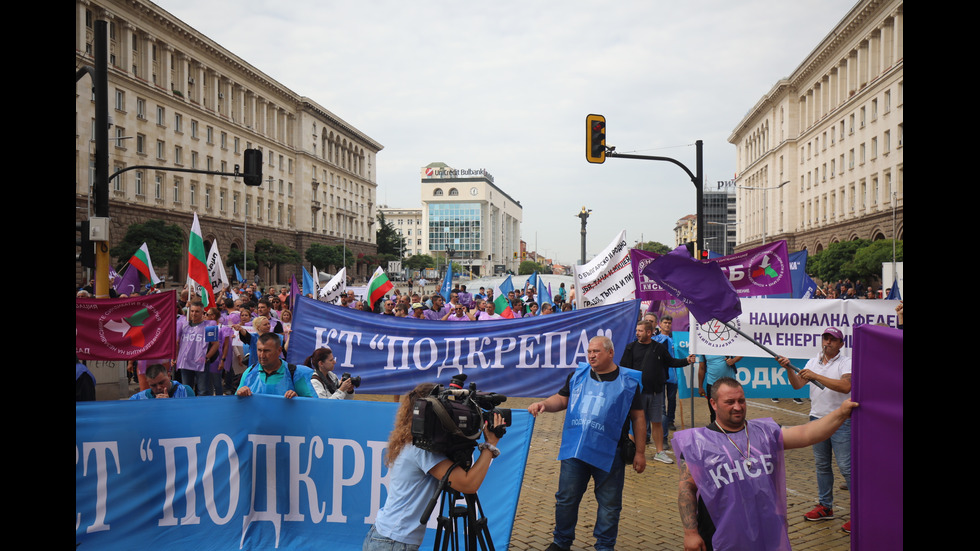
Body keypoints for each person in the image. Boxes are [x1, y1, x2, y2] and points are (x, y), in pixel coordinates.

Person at [675, 377, 858, 550]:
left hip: (765, 530)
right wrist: (690, 533)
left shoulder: (765, 432)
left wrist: (841, 412)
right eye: (729, 402)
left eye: (741, 400)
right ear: (713, 403)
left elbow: (807, 433)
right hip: (719, 534)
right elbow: (686, 489)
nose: (738, 407)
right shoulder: (697, 442)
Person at [528, 336, 646, 551]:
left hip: (611, 452)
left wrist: (640, 452)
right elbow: (562, 399)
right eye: (589, 351)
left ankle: (604, 546)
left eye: (596, 351)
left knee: (609, 506)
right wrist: (544, 404)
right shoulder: (577, 376)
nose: (591, 355)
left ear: (610, 353)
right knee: (566, 499)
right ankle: (561, 543)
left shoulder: (628, 382)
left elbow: (638, 417)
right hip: (576, 450)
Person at [364, 383, 504, 550]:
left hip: (386, 536)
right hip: (393, 542)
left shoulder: (412, 440)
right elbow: (468, 485)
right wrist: (491, 444)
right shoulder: (421, 450)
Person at [776, 327, 852, 525]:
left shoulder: (846, 362)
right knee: (822, 466)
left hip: (841, 421)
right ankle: (825, 506)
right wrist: (788, 369)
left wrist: (816, 376)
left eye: (833, 340)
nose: (827, 342)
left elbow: (846, 386)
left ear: (841, 344)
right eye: (825, 338)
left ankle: (860, 512)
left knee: (847, 467)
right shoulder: (812, 362)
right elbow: (797, 385)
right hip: (816, 419)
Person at [620, 320, 695, 464]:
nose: (637, 333)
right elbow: (624, 370)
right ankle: (632, 451)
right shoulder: (631, 348)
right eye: (637, 330)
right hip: (637, 394)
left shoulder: (659, 348)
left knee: (657, 422)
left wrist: (686, 360)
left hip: (656, 392)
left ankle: (659, 452)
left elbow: (671, 362)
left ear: (649, 332)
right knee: (635, 422)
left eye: (640, 331)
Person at [236, 332, 315, 398]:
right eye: (259, 350)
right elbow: (235, 402)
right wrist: (240, 394)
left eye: (267, 351)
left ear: (279, 350)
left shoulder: (294, 373)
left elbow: (309, 403)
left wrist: (297, 398)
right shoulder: (249, 372)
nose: (262, 355)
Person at [174, 300, 219, 395]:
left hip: (200, 363)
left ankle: (203, 409)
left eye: (197, 311)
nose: (194, 313)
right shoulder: (182, 324)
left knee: (202, 391)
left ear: (203, 312)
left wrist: (207, 357)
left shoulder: (209, 325)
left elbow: (216, 344)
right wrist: (176, 358)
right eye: (192, 311)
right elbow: (177, 342)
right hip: (185, 362)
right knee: (187, 390)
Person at [697, 355, 743, 424]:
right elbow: (702, 368)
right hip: (712, 385)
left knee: (731, 409)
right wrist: (700, 387)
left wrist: (734, 360)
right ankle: (715, 432)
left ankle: (732, 431)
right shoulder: (703, 347)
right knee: (714, 411)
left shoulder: (726, 344)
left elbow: (743, 350)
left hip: (729, 384)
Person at [130, 363, 195, 399]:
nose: (159, 387)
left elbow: (191, 415)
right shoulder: (137, 398)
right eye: (153, 385)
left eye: (162, 382)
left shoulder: (185, 391)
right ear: (148, 383)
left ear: (169, 376)